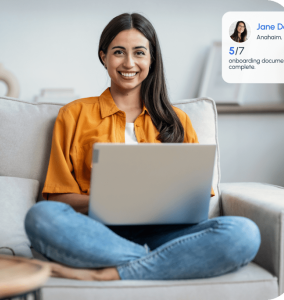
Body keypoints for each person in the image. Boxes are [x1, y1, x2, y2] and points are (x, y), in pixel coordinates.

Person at [25, 13, 260, 281]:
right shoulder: (73, 114)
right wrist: (112, 203)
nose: (129, 63)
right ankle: (166, 262)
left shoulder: (178, 121)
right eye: (118, 52)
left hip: (168, 234)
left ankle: (114, 272)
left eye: (139, 52)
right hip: (97, 234)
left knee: (244, 233)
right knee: (41, 217)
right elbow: (57, 199)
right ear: (103, 57)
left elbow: (199, 199)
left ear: (151, 59)